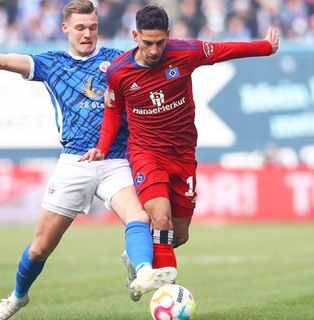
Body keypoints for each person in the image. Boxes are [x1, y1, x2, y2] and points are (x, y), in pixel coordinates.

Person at [0, 1, 176, 319]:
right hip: (74, 164)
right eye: (80, 28)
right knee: (40, 248)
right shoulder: (52, 63)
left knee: (139, 218)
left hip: (116, 160)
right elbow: (2, 61)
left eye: (92, 27)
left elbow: (160, 57)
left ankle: (142, 272)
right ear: (65, 29)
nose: (87, 34)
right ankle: (16, 298)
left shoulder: (118, 60)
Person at [81, 5, 279, 272]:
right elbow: (114, 112)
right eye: (148, 43)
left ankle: (139, 254)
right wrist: (102, 148)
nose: (154, 50)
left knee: (179, 234)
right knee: (161, 218)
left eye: (160, 43)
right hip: (146, 153)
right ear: (135, 36)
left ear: (168, 35)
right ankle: (167, 295)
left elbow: (223, 51)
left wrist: (265, 47)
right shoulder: (118, 72)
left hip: (183, 154)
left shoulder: (185, 52)